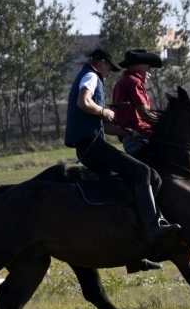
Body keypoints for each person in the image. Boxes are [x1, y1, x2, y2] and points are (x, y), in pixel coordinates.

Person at [63, 47, 179, 272]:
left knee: (124, 184)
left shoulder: (92, 77)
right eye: (109, 68)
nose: (109, 73)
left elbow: (104, 126)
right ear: (101, 63)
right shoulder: (91, 76)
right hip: (93, 147)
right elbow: (83, 103)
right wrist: (103, 111)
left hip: (89, 146)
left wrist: (126, 132)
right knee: (144, 172)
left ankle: (134, 255)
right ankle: (153, 227)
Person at [111, 49, 162, 159]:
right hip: (139, 136)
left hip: (130, 138)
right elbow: (144, 113)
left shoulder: (121, 82)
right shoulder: (135, 82)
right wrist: (164, 121)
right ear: (137, 67)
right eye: (148, 68)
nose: (149, 73)